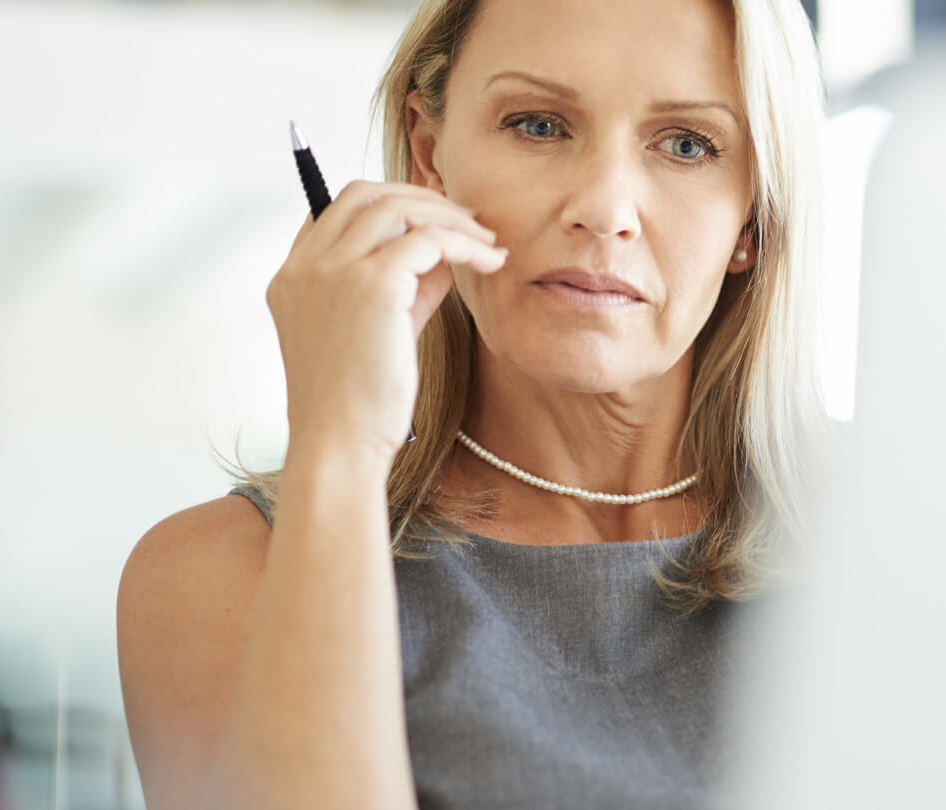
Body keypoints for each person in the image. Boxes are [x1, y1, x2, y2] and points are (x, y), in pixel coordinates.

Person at [114, 0, 827, 806]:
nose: (604, 209)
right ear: (430, 156)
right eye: (538, 125)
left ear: (754, 216)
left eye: (687, 144)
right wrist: (338, 442)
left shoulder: (907, 539)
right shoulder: (221, 573)